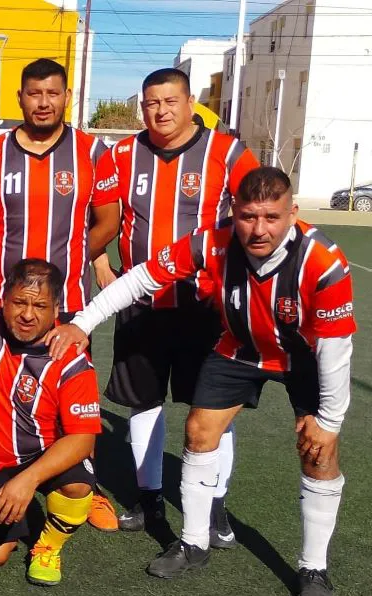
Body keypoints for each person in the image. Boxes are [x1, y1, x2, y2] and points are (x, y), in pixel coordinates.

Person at [46, 167, 355, 596]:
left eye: (271, 217)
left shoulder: (322, 261)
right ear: (234, 212)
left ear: (293, 213)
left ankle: (313, 567)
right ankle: (193, 542)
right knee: (198, 431)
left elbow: (335, 349)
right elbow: (141, 278)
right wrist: (81, 322)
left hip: (304, 356)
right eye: (249, 216)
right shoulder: (212, 240)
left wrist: (328, 422)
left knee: (319, 452)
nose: (259, 229)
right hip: (240, 349)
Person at [92, 68, 260, 539]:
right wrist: (102, 263)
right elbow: (97, 216)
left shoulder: (226, 153)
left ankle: (215, 505)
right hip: (140, 303)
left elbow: (257, 212)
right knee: (143, 403)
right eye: (151, 103)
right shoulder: (122, 154)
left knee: (210, 409)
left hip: (204, 305)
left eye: (170, 101)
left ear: (189, 104)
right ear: (140, 107)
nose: (160, 111)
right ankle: (150, 502)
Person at [0, 58, 121, 532]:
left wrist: (62, 265)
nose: (44, 102)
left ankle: (84, 485)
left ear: (67, 96)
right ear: (21, 99)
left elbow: (107, 221)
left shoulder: (92, 153)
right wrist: (11, 277)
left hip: (68, 303)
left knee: (70, 402)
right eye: (34, 93)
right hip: (1, 302)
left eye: (53, 93)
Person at [0, 259, 102, 587]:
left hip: (42, 454)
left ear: (56, 308)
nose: (28, 314)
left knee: (78, 486)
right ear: (2, 299)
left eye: (39, 305)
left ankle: (49, 545)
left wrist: (27, 481)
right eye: (19, 302)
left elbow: (83, 439)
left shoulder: (71, 358)